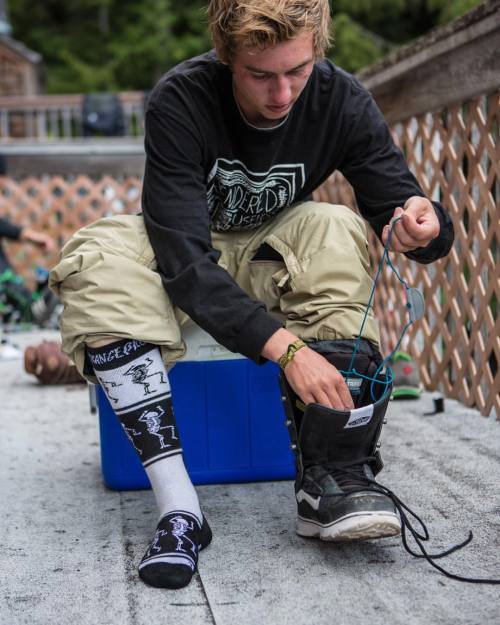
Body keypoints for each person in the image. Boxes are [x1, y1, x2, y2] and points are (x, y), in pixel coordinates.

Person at [49, 0, 454, 591]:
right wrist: (288, 350)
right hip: (181, 245)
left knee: (334, 224)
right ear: (225, 56)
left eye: (298, 70)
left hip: (272, 253)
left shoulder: (341, 99)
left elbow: (401, 207)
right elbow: (186, 260)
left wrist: (426, 225)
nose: (283, 94)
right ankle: (180, 509)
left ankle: (332, 482)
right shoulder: (180, 98)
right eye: (260, 75)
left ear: (317, 47)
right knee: (96, 258)